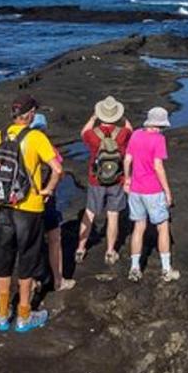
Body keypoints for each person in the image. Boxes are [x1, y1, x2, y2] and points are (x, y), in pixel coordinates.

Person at [0, 95, 63, 333]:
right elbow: (57, 169)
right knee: (27, 261)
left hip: (3, 208)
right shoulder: (36, 137)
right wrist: (48, 189)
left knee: (3, 261)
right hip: (28, 208)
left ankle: (2, 315)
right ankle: (23, 314)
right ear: (30, 114)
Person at [123, 106, 180, 282]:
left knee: (138, 227)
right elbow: (158, 166)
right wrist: (167, 190)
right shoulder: (159, 139)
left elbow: (127, 159)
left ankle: (134, 268)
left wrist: (127, 179)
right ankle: (165, 269)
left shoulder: (136, 134)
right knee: (162, 227)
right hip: (153, 189)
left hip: (135, 189)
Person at [75, 96, 132, 265]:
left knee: (90, 213)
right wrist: (122, 118)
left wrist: (93, 118)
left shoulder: (92, 134)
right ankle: (110, 251)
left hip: (96, 179)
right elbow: (130, 128)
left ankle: (80, 248)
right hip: (117, 178)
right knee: (113, 215)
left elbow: (82, 132)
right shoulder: (122, 133)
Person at [32, 112, 75, 292]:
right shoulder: (48, 147)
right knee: (54, 239)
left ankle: (32, 281)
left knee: (31, 242)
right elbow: (59, 171)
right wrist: (49, 189)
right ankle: (58, 280)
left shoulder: (21, 145)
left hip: (27, 200)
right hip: (47, 199)